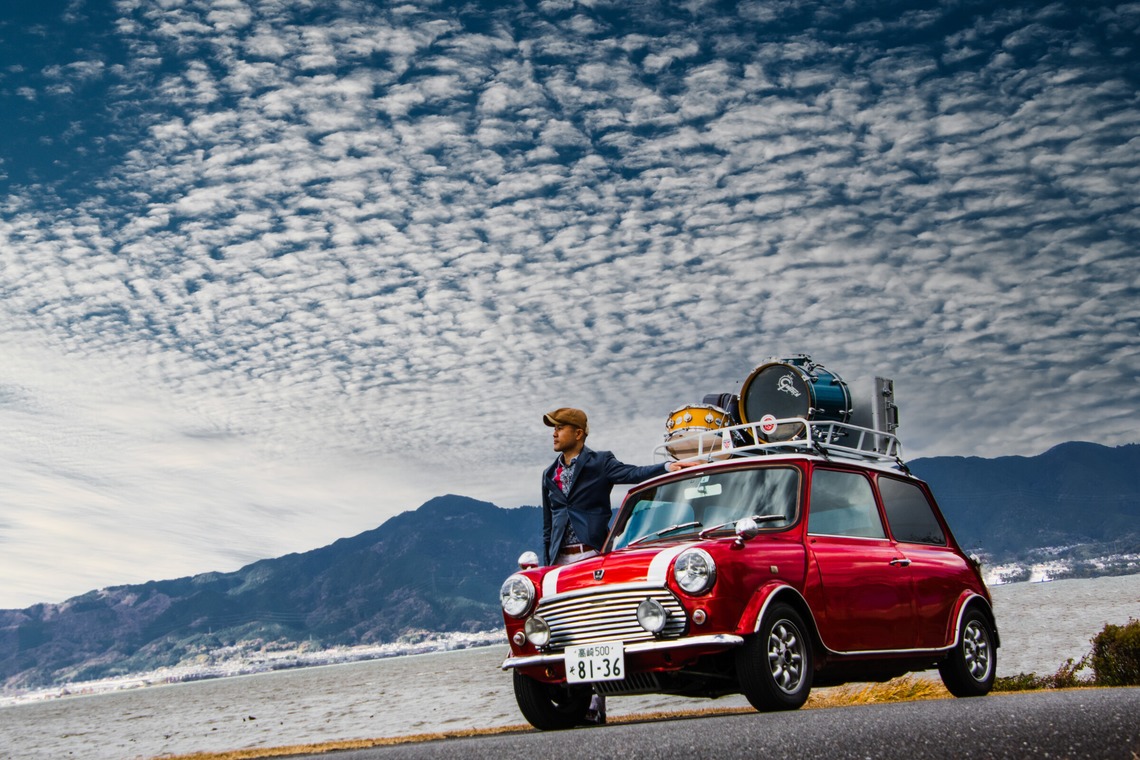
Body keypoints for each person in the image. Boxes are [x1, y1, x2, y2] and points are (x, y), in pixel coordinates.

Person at [540, 407, 695, 725]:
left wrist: (668, 466)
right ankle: (573, 700)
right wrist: (547, 565)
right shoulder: (548, 475)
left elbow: (633, 474)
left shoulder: (600, 463)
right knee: (567, 631)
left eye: (559, 428)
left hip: (593, 555)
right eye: (553, 429)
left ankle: (597, 704)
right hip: (560, 560)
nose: (554, 433)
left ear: (578, 433)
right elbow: (547, 523)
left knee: (596, 628)